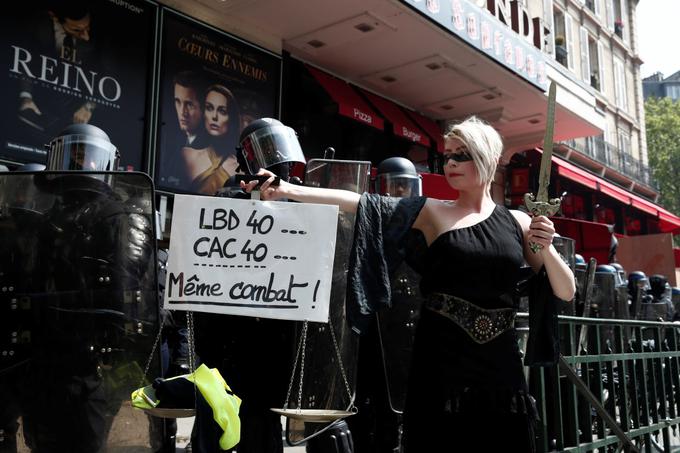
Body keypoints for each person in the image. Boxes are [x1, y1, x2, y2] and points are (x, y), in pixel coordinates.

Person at [242, 116, 576, 452]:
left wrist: (545, 248)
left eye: (462, 155)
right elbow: (360, 203)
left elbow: (565, 290)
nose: (451, 163)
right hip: (442, 358)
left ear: (487, 158)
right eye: (447, 155)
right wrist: (286, 189)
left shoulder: (518, 222)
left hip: (500, 364)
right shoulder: (431, 212)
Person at [183, 84, 241, 194]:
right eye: (209, 108)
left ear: (231, 118)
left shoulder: (240, 170)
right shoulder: (186, 155)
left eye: (222, 111)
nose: (214, 116)